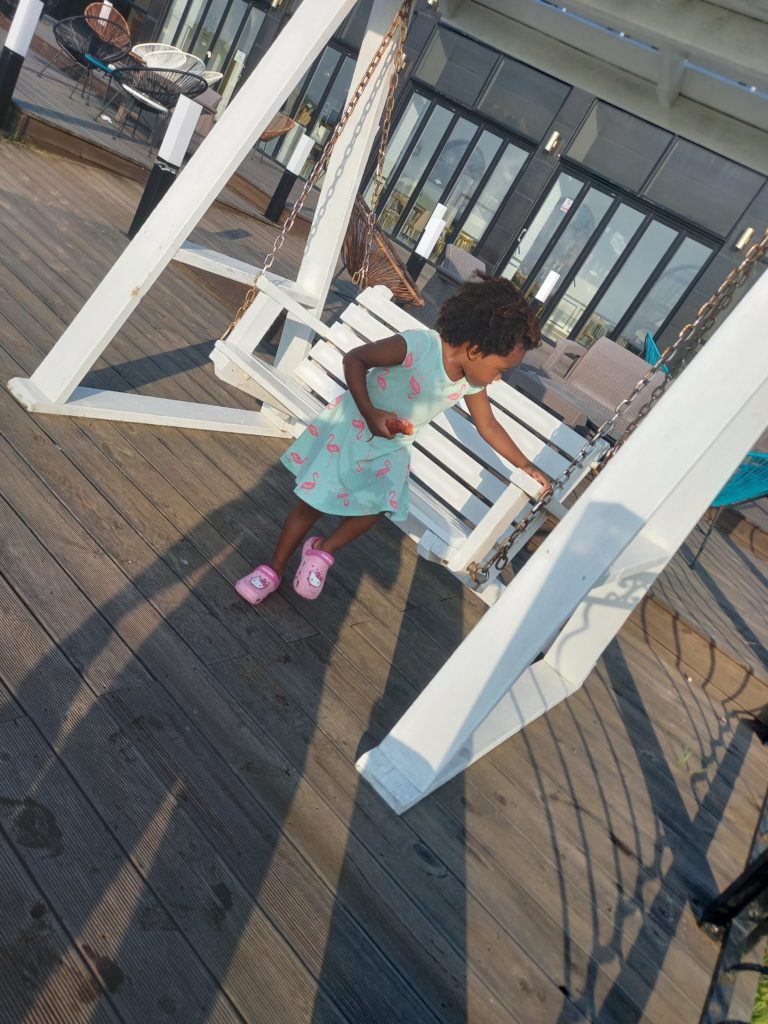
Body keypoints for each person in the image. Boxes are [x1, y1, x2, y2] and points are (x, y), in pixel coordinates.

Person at [235, 273, 551, 605]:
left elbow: (488, 424)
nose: (500, 378)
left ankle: (322, 551)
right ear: (474, 350)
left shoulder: (470, 382)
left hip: (392, 448)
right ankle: (272, 569)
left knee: (380, 504)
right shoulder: (418, 346)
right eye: (501, 369)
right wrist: (371, 412)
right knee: (312, 505)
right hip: (352, 430)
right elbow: (355, 359)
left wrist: (525, 465)